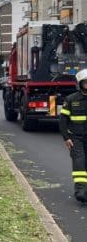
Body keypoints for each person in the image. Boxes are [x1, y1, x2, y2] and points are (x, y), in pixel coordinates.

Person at [59, 69, 87, 203]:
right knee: (79, 164)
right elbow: (63, 120)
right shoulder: (71, 99)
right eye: (86, 82)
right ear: (80, 84)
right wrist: (66, 138)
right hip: (77, 138)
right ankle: (80, 191)